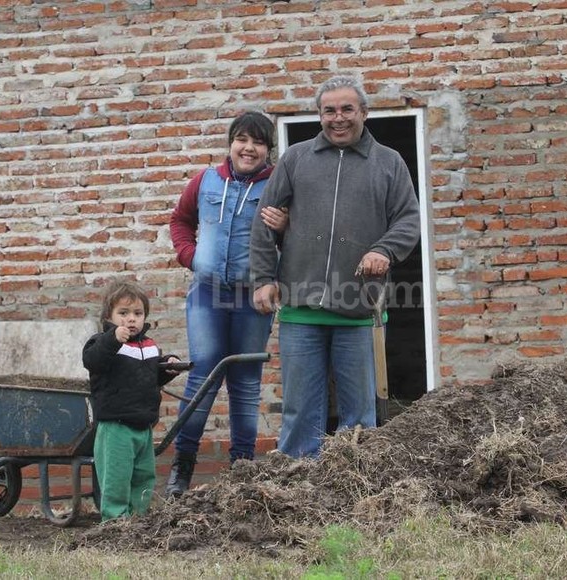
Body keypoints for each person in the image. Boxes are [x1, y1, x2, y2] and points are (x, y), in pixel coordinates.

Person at [250, 75, 421, 458]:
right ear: (319, 115)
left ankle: (354, 486)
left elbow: (408, 221)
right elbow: (264, 221)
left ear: (364, 112)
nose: (338, 118)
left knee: (360, 413)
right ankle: (295, 482)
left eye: (347, 109)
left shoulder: (388, 163)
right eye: (329, 110)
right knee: (299, 409)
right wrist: (263, 279)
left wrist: (385, 250)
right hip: (300, 308)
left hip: (359, 309)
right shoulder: (296, 159)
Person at [168, 111, 287, 497]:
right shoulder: (205, 181)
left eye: (258, 142)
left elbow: (298, 239)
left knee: (246, 383)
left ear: (269, 149)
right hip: (207, 294)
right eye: (242, 140)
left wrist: (286, 229)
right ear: (231, 143)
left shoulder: (278, 187)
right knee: (201, 377)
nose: (249, 148)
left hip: (252, 297)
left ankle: (241, 471)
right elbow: (180, 221)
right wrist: (190, 256)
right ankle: (181, 470)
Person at [82, 280, 184, 521]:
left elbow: (149, 377)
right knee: (117, 477)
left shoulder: (148, 346)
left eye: (137, 313)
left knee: (143, 476)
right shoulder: (102, 343)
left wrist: (168, 366)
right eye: (123, 313)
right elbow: (92, 361)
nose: (131, 319)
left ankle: (138, 520)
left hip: (143, 426)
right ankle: (115, 521)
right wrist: (113, 338)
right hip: (115, 426)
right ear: (109, 316)